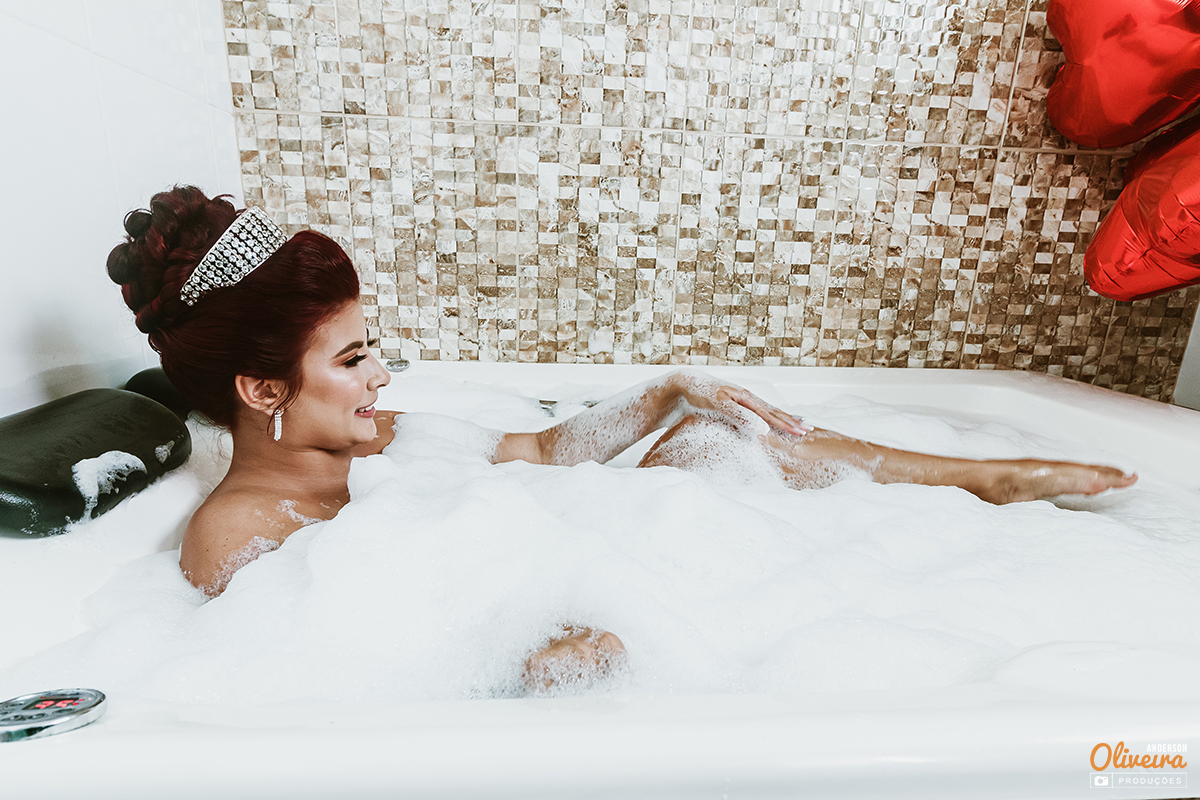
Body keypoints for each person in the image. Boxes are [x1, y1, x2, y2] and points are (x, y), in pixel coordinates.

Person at [107, 186, 1138, 692]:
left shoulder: (386, 442)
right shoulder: (234, 536)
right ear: (261, 387)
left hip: (652, 582)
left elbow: (542, 452)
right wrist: (560, 654)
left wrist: (663, 391)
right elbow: (368, 671)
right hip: (591, 644)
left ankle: (981, 479)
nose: (381, 376)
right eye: (353, 358)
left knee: (717, 426)